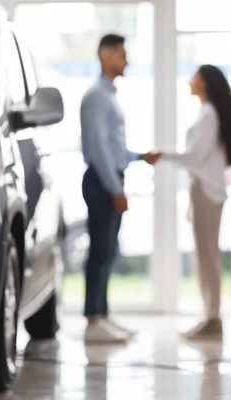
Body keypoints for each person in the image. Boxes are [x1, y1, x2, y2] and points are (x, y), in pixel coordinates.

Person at [149, 65, 231, 340]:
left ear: (204, 83)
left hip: (207, 192)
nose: (190, 81)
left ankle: (213, 317)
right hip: (204, 190)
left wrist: (162, 156)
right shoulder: (208, 113)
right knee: (204, 255)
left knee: (207, 256)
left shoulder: (209, 115)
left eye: (194, 77)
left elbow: (193, 158)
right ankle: (210, 314)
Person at [80, 33, 158, 343]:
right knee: (100, 251)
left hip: (109, 178)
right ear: (105, 54)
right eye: (122, 55)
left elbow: (112, 147)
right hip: (102, 182)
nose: (126, 61)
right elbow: (98, 151)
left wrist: (139, 156)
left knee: (108, 251)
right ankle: (93, 321)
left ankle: (102, 315)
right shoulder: (96, 96)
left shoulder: (108, 95)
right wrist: (116, 190)